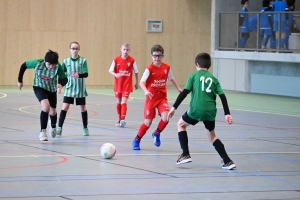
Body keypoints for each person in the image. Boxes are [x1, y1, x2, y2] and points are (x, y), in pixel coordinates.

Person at [167, 53, 236, 170]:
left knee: (180, 125)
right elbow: (223, 96)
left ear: (197, 64)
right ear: (209, 66)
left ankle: (185, 154)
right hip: (210, 111)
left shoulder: (193, 76)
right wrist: (227, 113)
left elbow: (184, 92)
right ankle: (227, 161)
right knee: (212, 136)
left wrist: (174, 108)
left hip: (196, 110)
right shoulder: (214, 79)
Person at [132, 44, 182, 150]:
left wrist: (178, 88)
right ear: (151, 56)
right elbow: (141, 82)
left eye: (159, 56)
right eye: (155, 56)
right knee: (148, 122)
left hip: (162, 97)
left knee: (166, 117)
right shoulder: (149, 69)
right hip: (151, 97)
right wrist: (146, 91)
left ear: (162, 56)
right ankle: (137, 139)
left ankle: (157, 133)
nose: (157, 58)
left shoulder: (167, 67)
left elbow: (171, 78)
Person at [17, 50, 68, 141]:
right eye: (49, 64)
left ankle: (53, 126)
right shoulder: (37, 63)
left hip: (51, 89)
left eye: (53, 65)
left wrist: (60, 84)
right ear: (45, 61)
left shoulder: (57, 67)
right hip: (39, 87)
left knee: (53, 111)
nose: (51, 67)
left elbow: (64, 78)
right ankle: (42, 132)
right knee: (46, 107)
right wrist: (20, 80)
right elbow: (23, 65)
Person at [56, 42, 89, 136]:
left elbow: (86, 74)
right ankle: (59, 127)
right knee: (65, 107)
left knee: (83, 108)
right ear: (70, 49)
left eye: (76, 48)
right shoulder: (66, 61)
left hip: (80, 88)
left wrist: (79, 75)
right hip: (69, 88)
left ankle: (85, 128)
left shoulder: (83, 61)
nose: (75, 50)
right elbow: (62, 74)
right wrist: (60, 85)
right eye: (73, 48)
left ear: (79, 50)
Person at [109, 43, 139, 128]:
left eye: (127, 50)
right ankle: (119, 118)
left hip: (127, 84)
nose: (125, 51)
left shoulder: (132, 60)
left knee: (123, 102)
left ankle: (123, 119)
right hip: (118, 84)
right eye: (124, 49)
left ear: (129, 50)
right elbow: (110, 70)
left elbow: (136, 71)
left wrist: (137, 82)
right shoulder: (116, 60)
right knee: (118, 102)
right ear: (121, 50)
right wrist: (116, 75)